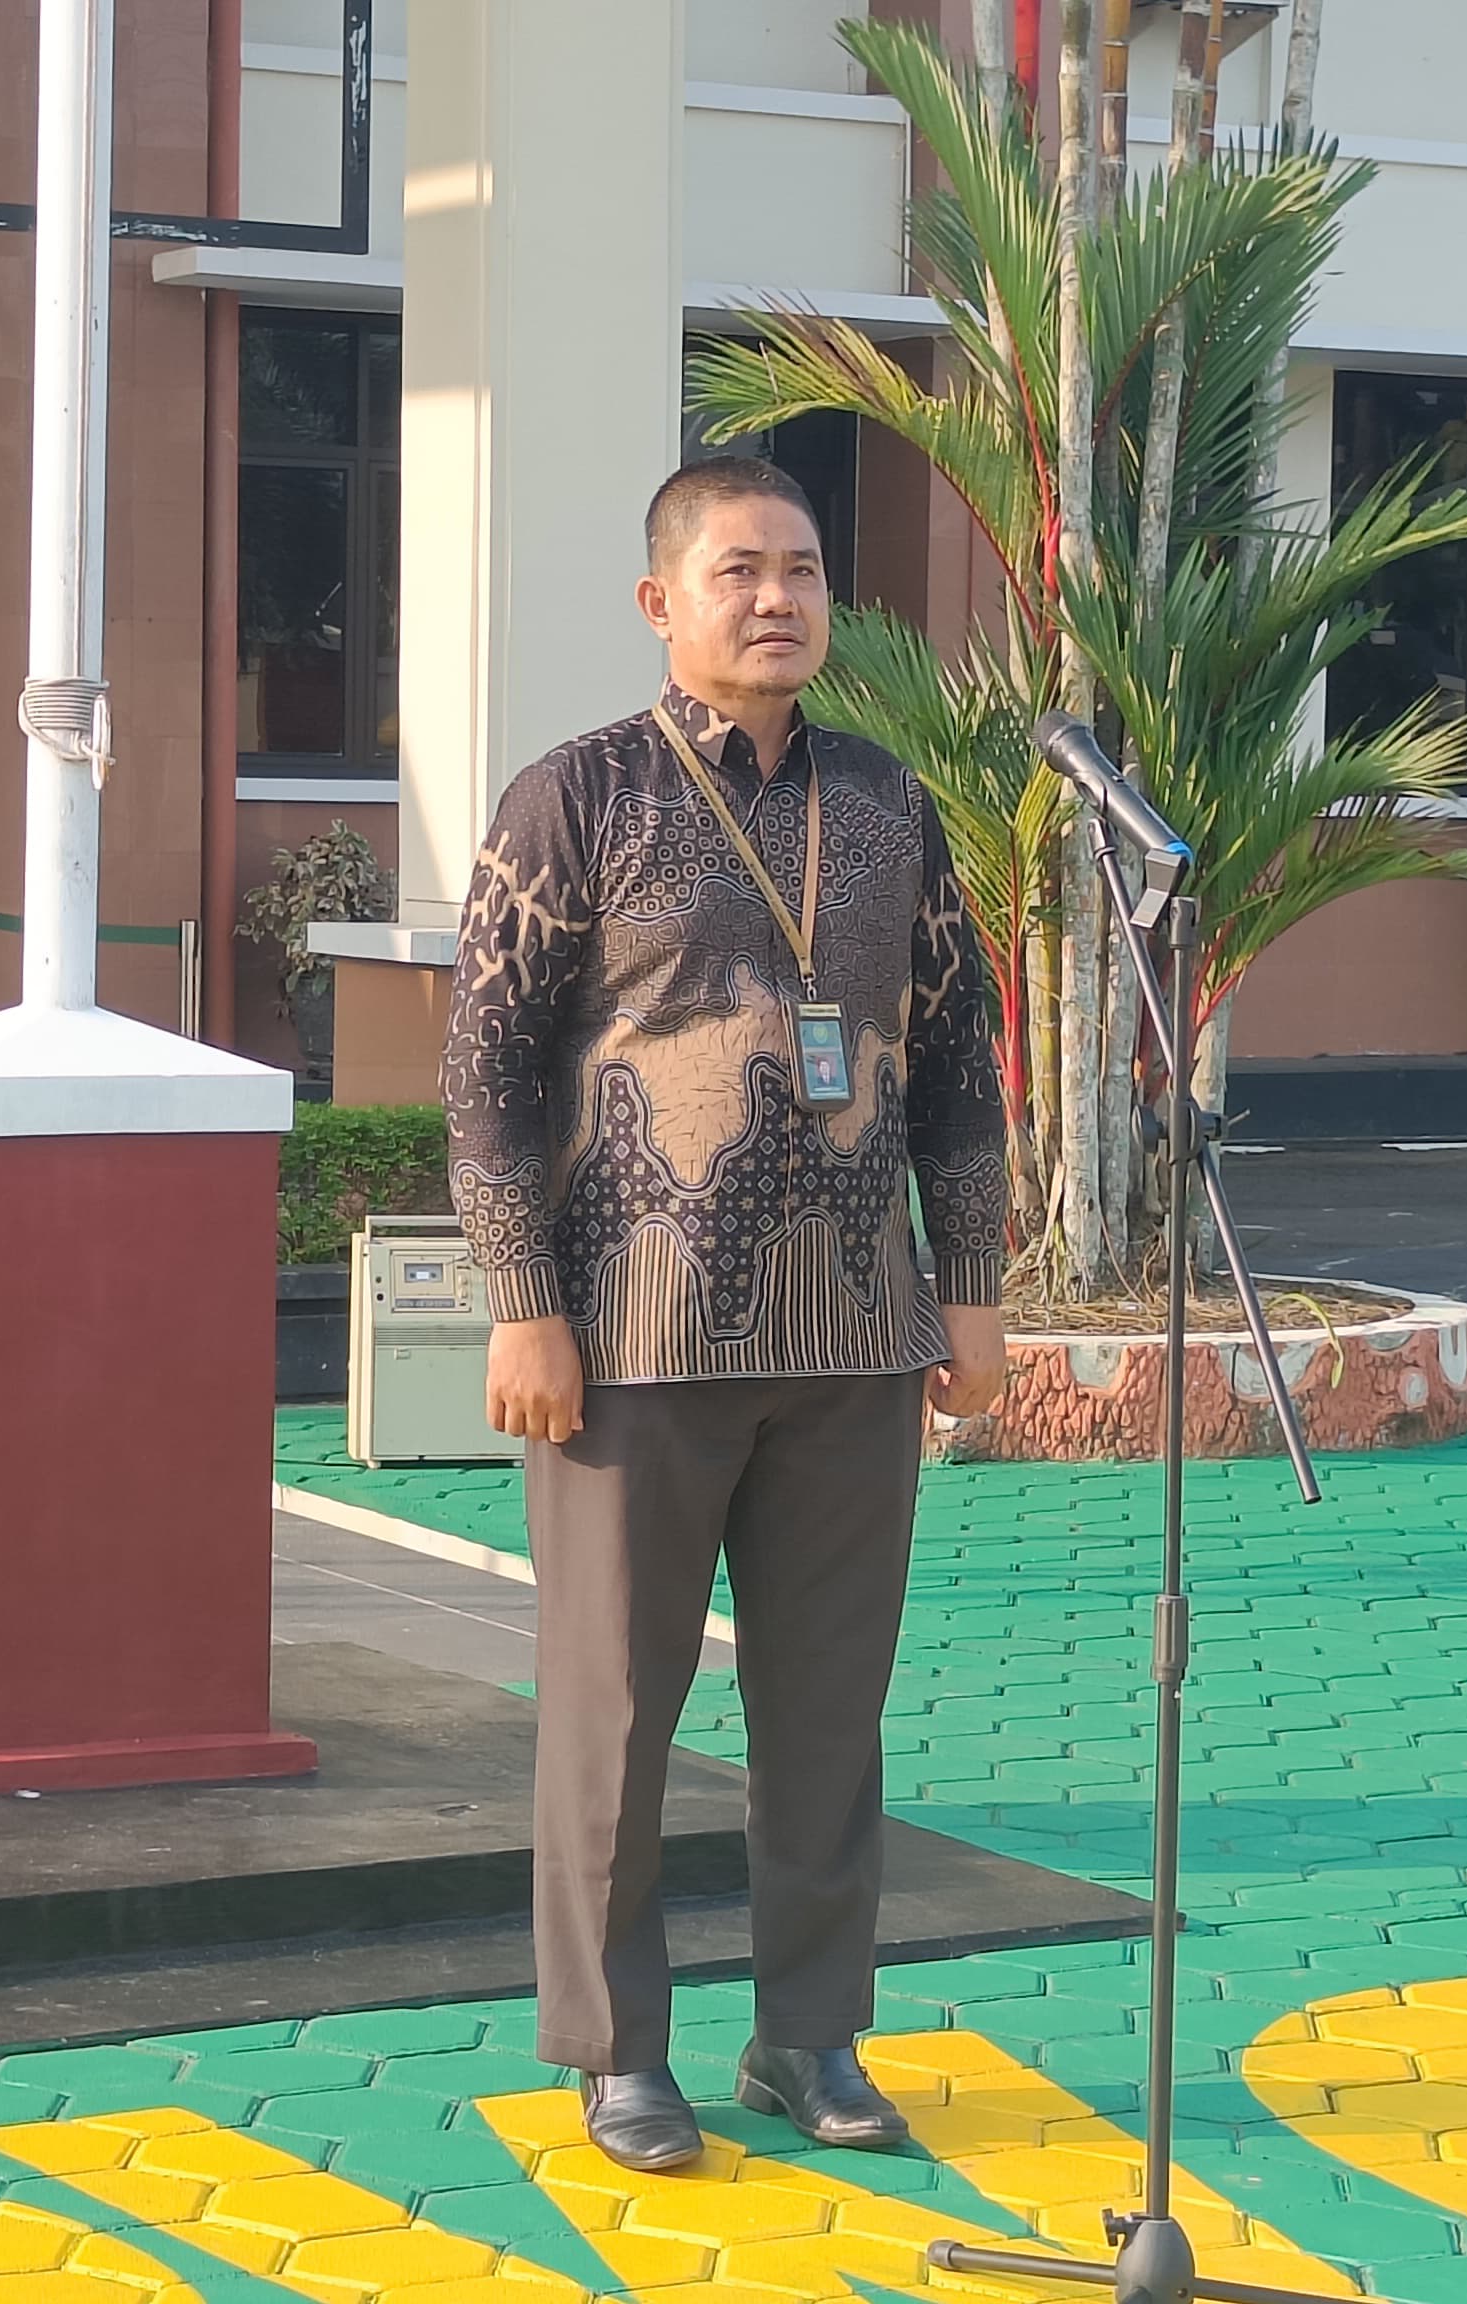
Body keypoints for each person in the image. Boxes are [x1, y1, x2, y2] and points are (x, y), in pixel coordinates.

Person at [443, 455, 1009, 2171]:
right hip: (636, 1335)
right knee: (617, 1712)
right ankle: (619, 2051)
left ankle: (808, 2035)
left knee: (828, 1710)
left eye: (805, 570)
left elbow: (961, 1064)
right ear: (660, 602)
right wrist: (523, 1302)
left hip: (855, 1336)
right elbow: (484, 1072)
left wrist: (973, 1291)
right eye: (740, 569)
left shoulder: (890, 803)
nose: (779, 599)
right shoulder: (578, 797)